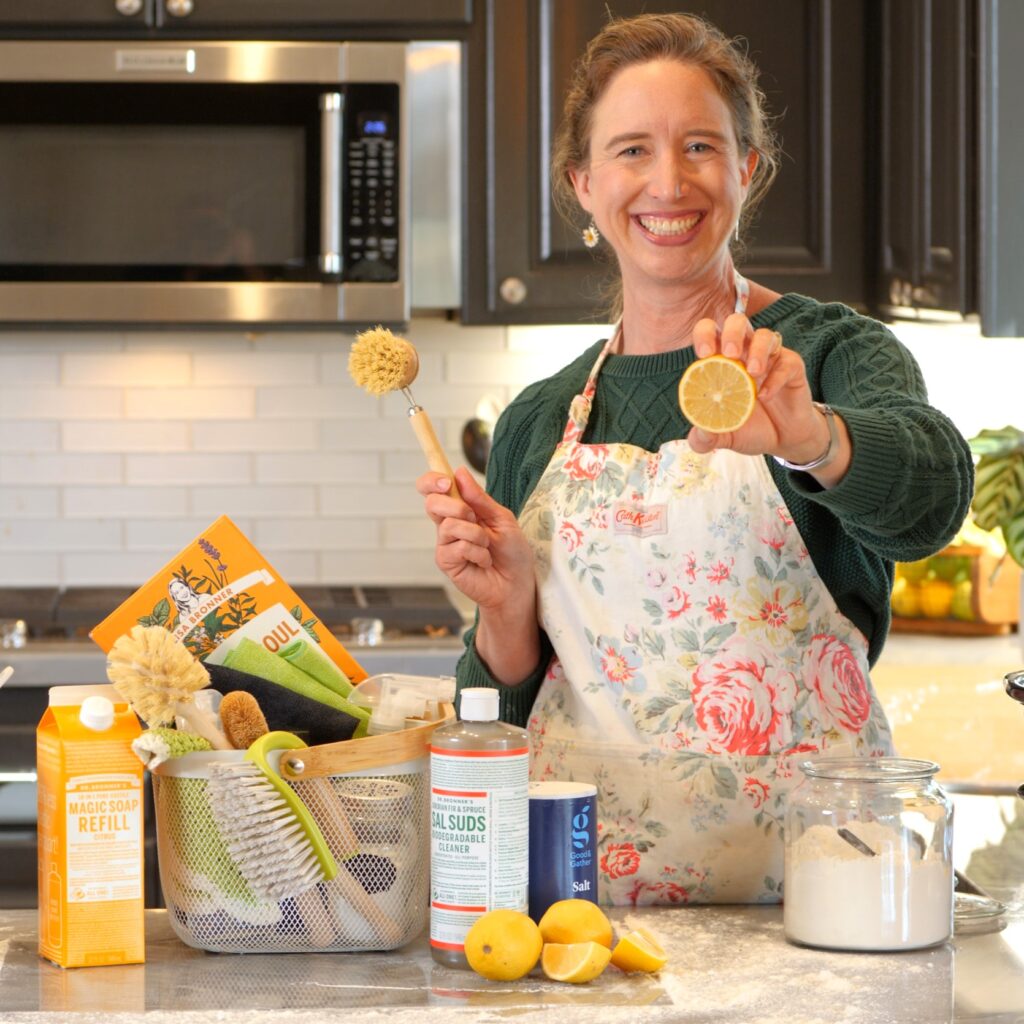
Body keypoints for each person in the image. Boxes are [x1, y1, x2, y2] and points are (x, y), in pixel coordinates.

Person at [417, 12, 973, 905]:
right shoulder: (539, 419)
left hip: (825, 903)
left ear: (746, 169)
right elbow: (501, 715)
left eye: (701, 146)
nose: (667, 182)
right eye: (632, 150)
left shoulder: (827, 355)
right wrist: (508, 609)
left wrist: (811, 437)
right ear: (584, 184)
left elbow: (932, 502)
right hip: (585, 916)